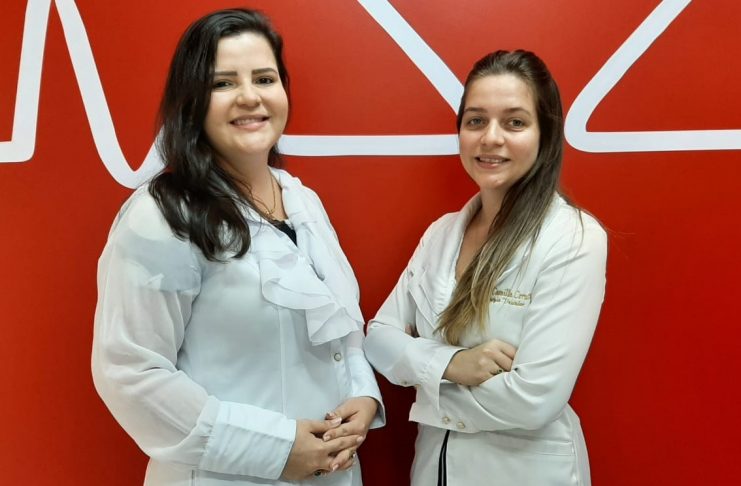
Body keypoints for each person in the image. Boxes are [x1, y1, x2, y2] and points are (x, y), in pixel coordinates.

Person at [92, 8, 383, 486]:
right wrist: (274, 448)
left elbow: (339, 331)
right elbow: (131, 372)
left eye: (264, 79)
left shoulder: (302, 200)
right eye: (223, 83)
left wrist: (362, 396)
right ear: (192, 101)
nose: (250, 96)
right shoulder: (162, 216)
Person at [364, 50, 607, 486]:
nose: (490, 138)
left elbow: (533, 400)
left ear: (546, 133)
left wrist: (423, 388)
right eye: (476, 120)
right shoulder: (441, 233)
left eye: (514, 122)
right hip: (433, 468)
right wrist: (451, 364)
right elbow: (379, 338)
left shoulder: (572, 237)